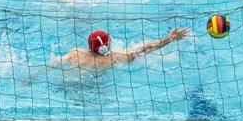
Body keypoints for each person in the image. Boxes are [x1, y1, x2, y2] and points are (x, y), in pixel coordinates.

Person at [53, 27, 191, 69]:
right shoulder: (113, 59)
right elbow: (146, 48)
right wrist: (169, 39)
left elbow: (54, 63)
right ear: (104, 48)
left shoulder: (74, 52)